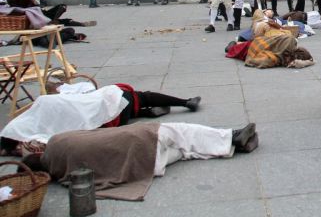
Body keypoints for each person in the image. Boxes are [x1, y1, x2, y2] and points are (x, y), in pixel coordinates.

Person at [20, 122, 258, 201]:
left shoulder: (62, 171)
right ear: (38, 153)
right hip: (142, 141)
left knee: (185, 150)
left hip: (142, 163)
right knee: (184, 134)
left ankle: (231, 145)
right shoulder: (57, 142)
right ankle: (231, 138)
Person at [0, 84, 201, 150]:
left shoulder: (38, 133)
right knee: (140, 96)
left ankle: (143, 112)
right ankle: (184, 101)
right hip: (114, 103)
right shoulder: (44, 102)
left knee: (119, 107)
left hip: (107, 122)